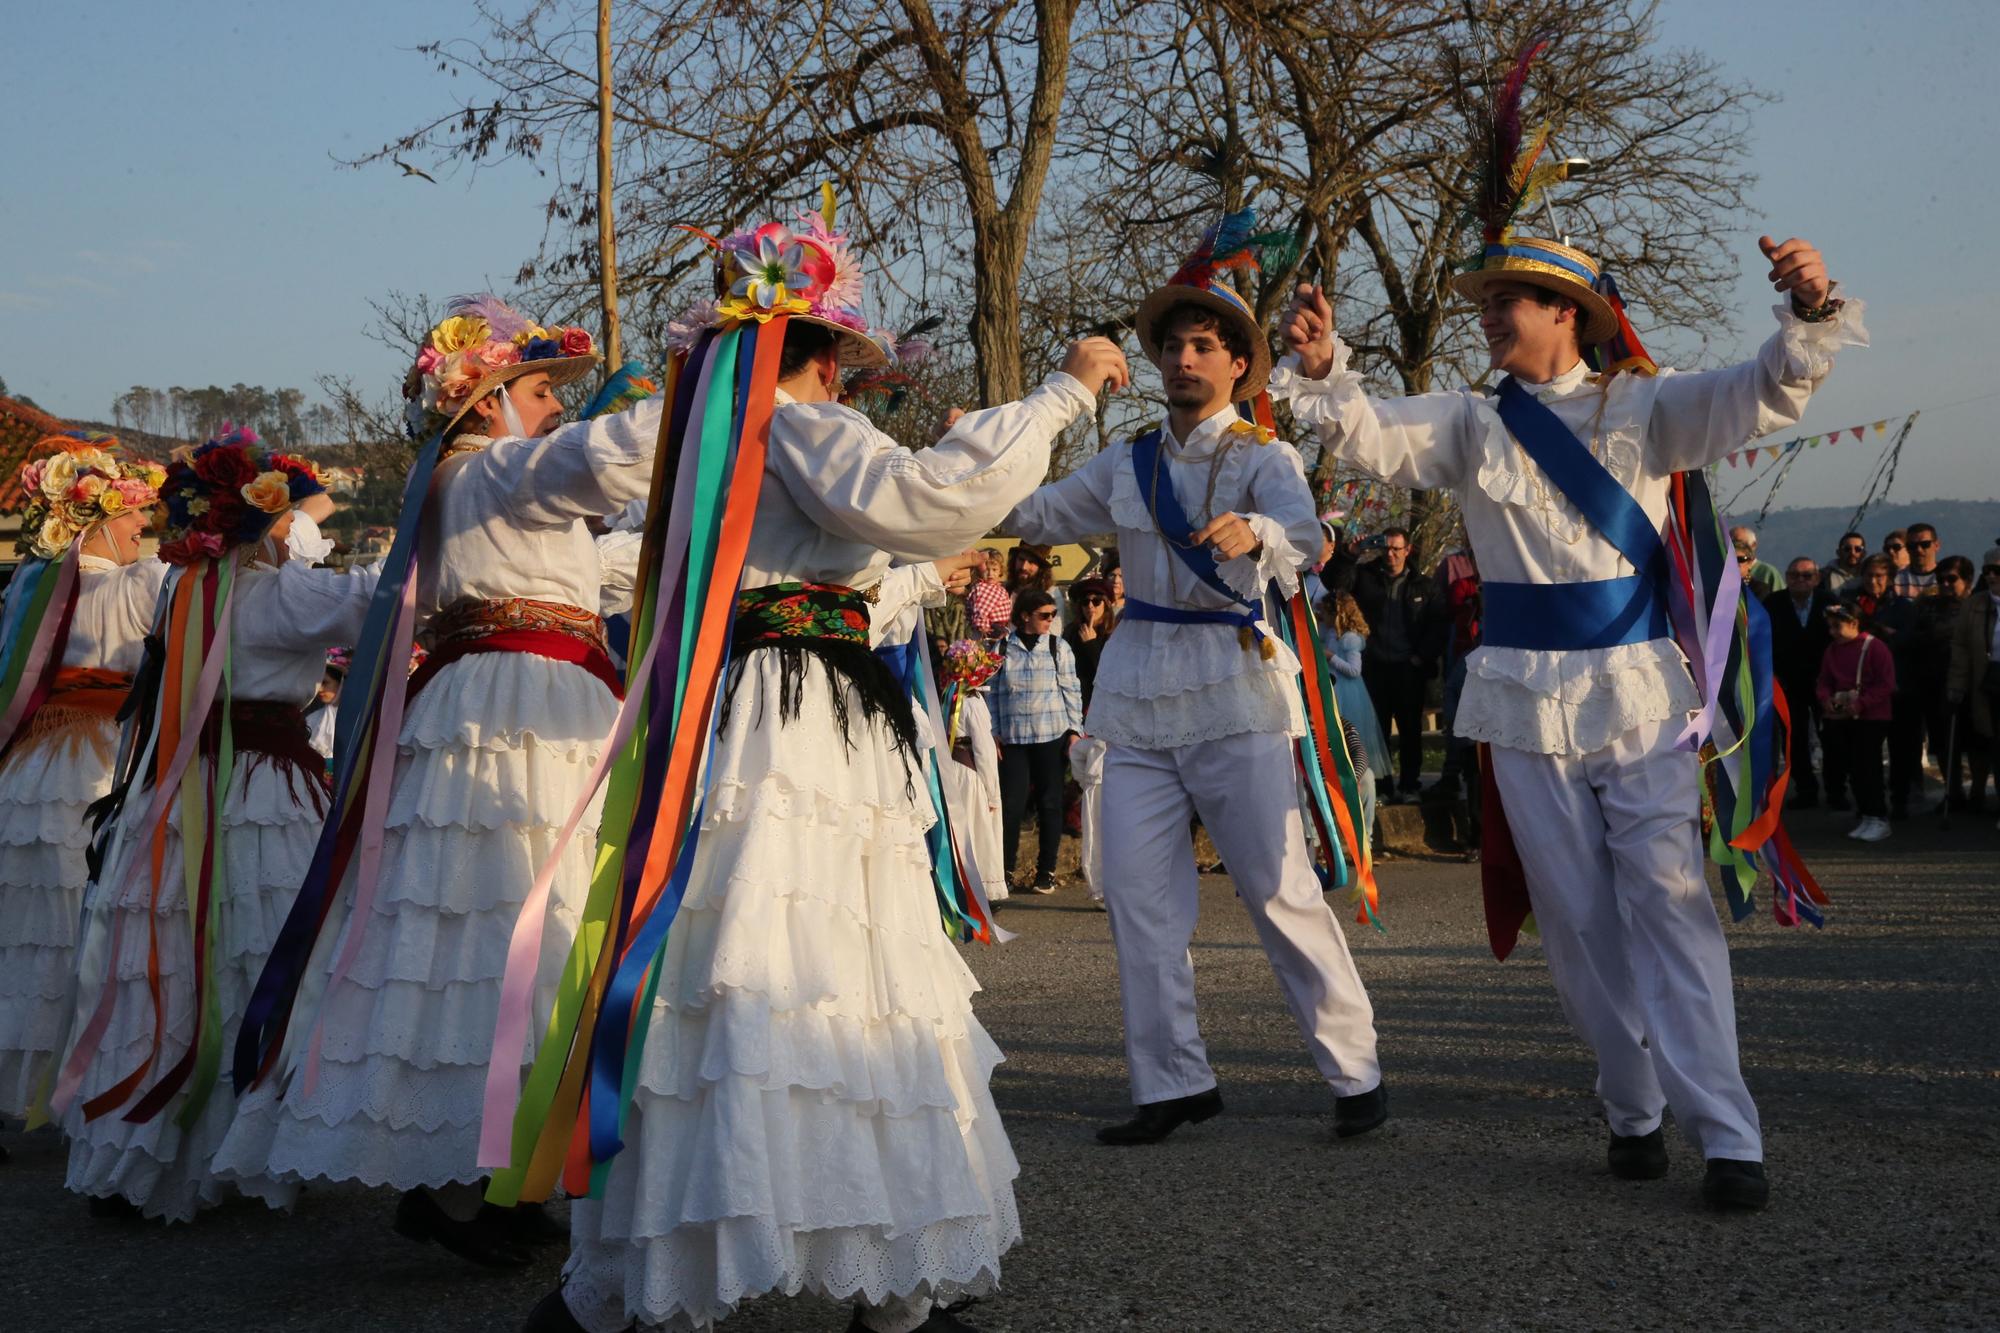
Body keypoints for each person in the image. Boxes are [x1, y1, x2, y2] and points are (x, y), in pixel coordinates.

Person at [527, 204, 1129, 1333]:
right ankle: (882, 1278)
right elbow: (921, 499)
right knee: (820, 952)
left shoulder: (719, 446)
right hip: (802, 718)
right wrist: (1063, 390)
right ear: (821, 357)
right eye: (839, 363)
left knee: (743, 947)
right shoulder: (797, 426)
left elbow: (849, 564)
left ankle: (664, 1273)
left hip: (749, 706)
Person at [1278, 199, 1864, 1210]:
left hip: (1636, 692)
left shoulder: (1646, 406)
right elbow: (1371, 434)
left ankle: (1727, 1136)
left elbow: (1764, 390)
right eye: (1490, 299)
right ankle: (1632, 1108)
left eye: (1510, 299)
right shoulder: (1468, 420)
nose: (1491, 314)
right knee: (1580, 922)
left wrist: (1809, 307)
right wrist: (1327, 363)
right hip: (1519, 701)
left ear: (1569, 315)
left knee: (1672, 907)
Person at [213, 297, 653, 1267]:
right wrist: (714, 391)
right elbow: (599, 462)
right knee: (491, 931)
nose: (551, 409)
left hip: (549, 703)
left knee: (526, 936)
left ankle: (495, 1167)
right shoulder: (477, 472)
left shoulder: (498, 489)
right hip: (505, 716)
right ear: (484, 401)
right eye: (537, 391)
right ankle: (454, 1180)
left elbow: (600, 559)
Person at [1002, 216, 1387, 1147]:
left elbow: (1314, 540)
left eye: (1202, 345)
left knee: (1275, 884)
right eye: (1171, 344)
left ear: (1239, 363)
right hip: (1134, 683)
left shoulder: (1263, 458)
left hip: (1233, 677)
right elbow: (1035, 511)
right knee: (1136, 891)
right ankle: (1171, 1079)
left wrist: (1263, 535)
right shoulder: (1126, 462)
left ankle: (1354, 1067)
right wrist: (967, 464)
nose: (1182, 358)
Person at [59, 431, 378, 1223]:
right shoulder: (275, 593)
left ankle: (148, 1146)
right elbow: (384, 594)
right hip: (262, 784)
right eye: (281, 515)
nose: (289, 529)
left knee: (175, 957)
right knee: (261, 949)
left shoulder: (187, 590)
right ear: (259, 520)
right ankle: (245, 1149)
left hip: (181, 790)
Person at [0, 438, 165, 1125]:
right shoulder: (138, 583)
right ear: (97, 518)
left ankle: (23, 1090)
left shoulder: (28, 589)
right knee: (88, 924)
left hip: (30, 764)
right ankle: (80, 1085)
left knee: (25, 933)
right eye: (134, 517)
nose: (142, 530)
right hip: (102, 757)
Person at [987, 588, 1083, 895]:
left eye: (1053, 615)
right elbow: (994, 694)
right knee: (1011, 805)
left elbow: (1071, 690)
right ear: (1025, 616)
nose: (1050, 620)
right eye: (1044, 615)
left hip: (1050, 734)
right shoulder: (1002, 648)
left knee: (1050, 802)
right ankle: (1005, 872)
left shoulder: (1059, 647)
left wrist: (1073, 731)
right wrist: (993, 732)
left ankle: (1046, 871)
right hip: (1013, 737)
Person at [1351, 526, 1432, 801]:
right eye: (1386, 547)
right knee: (1378, 730)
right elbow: (1336, 582)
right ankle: (1383, 787)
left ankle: (1410, 785)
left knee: (1410, 729)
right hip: (1375, 666)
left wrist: (1421, 655)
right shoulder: (1366, 577)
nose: (1391, 554)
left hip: (1408, 667)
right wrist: (1352, 554)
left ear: (1407, 550)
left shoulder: (1422, 584)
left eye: (1397, 548)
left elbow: (1437, 624)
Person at [1817, 603, 1895, 842]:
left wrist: (1860, 703)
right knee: (1852, 766)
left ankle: (1878, 817)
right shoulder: (1832, 650)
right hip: (1843, 716)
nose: (1832, 632)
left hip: (1872, 717)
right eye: (1830, 626)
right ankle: (1866, 815)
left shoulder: (1875, 648)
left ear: (1854, 623)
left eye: (1836, 626)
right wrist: (1826, 699)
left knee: (1868, 767)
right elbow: (1824, 680)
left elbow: (1886, 684)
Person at [1064, 575, 1117, 906]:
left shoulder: (1113, 635)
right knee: (1089, 797)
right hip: (1084, 719)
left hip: (1112, 722)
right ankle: (1098, 883)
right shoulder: (1071, 634)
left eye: (1097, 601)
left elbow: (1108, 677)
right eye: (1085, 602)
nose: (1090, 607)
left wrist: (1092, 643)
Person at [1763, 556, 1833, 807]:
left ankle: (1836, 790)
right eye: (1794, 575)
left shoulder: (1830, 603)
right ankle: (1805, 790)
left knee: (1831, 736)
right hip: (1788, 681)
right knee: (1795, 739)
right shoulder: (1774, 603)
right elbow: (1763, 640)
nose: (1800, 580)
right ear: (1786, 577)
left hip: (1825, 681)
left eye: (1806, 575)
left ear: (1817, 578)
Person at [1909, 556, 1973, 810]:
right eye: (1941, 579)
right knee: (1943, 743)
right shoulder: (1927, 606)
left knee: (1977, 744)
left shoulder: (1976, 607)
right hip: (1933, 683)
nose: (1945, 584)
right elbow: (1915, 636)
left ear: (1967, 580)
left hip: (1969, 683)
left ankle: (1977, 792)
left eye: (1952, 579)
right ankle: (1953, 791)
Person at [1322, 591, 1388, 836]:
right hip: (1335, 690)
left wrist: (1331, 657)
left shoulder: (1350, 639)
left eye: (1326, 613)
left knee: (1353, 740)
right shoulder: (1331, 634)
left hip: (1350, 694)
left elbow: (1354, 670)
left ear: (1337, 613)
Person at [1945, 549, 2000, 821]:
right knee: (1982, 738)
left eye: (1997, 571)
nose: (1991, 576)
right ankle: (1977, 794)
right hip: (1984, 678)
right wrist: (1956, 683)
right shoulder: (1975, 604)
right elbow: (1961, 646)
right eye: (1987, 570)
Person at [966, 546, 1011, 639]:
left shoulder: (996, 587)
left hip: (999, 627)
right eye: (986, 570)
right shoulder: (983, 588)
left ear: (1000, 571)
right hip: (989, 629)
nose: (990, 574)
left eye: (994, 569)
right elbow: (981, 609)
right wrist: (982, 627)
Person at [1730, 526, 1783, 599]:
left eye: (1740, 559)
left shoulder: (1768, 574)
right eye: (1729, 541)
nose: (1733, 545)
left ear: (1754, 545)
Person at [1892, 522, 1940, 599]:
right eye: (1912, 546)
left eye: (1925, 544)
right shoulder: (1895, 579)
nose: (1919, 550)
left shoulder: (1948, 579)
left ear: (1937, 546)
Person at [1820, 530, 1868, 598]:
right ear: (1838, 552)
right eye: (1847, 549)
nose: (1852, 553)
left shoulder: (1870, 575)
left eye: (1858, 549)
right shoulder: (1824, 576)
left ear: (1864, 553)